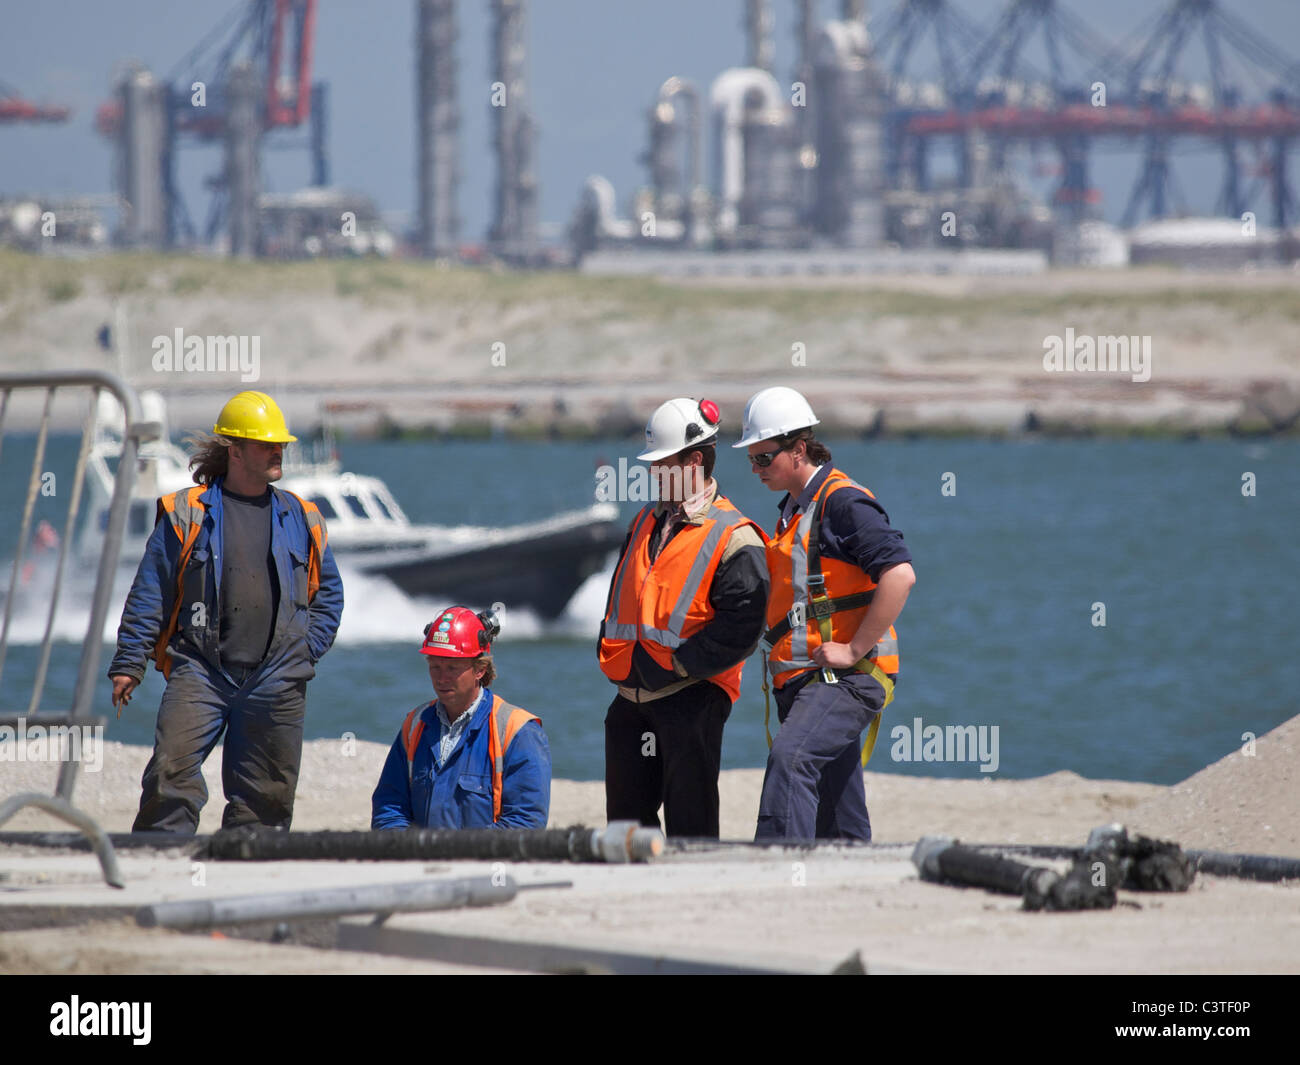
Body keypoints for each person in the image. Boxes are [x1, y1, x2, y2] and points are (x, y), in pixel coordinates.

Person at [109, 390, 343, 834]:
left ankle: (247, 882)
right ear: (235, 451)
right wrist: (129, 662)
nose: (279, 452)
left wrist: (304, 652)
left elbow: (328, 594)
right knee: (169, 777)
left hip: (277, 677)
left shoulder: (303, 516)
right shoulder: (186, 512)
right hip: (200, 670)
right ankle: (158, 866)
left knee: (266, 798)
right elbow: (151, 591)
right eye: (267, 444)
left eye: (281, 445)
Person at [734, 386, 915, 842]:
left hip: (846, 677)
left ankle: (777, 868)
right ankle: (850, 876)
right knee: (838, 805)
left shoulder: (842, 502)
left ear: (798, 449)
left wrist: (855, 649)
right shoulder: (795, 508)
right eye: (751, 459)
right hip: (806, 679)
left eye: (763, 458)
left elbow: (900, 575)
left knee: (791, 760)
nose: (755, 469)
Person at [599, 397, 769, 838]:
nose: (652, 472)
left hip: (691, 699)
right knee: (625, 827)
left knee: (690, 827)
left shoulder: (735, 535)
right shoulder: (644, 521)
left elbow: (743, 628)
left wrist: (680, 664)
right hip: (631, 699)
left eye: (661, 462)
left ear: (695, 460)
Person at [372, 606, 551, 829]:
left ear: (480, 669)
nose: (441, 678)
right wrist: (412, 851)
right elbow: (389, 808)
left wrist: (460, 855)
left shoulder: (518, 731)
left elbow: (526, 822)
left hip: (486, 863)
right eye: (435, 667)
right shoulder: (415, 725)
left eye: (452, 668)